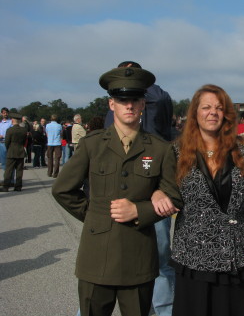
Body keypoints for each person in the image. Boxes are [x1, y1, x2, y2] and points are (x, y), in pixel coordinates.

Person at [52, 65, 181, 316]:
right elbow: (62, 189)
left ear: (143, 103)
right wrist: (93, 214)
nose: (129, 105)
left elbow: (174, 195)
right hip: (96, 255)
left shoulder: (159, 148)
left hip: (138, 256)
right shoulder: (92, 145)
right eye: (122, 100)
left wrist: (139, 210)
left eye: (134, 99)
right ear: (112, 104)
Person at [154, 84, 244, 316]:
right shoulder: (177, 152)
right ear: (195, 113)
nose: (213, 112)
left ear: (227, 114)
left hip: (234, 252)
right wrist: (157, 192)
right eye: (206, 107)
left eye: (219, 108)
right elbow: (161, 184)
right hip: (193, 253)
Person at [103, 61, 176, 316]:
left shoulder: (154, 96)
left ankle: (164, 309)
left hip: (154, 189)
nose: (129, 101)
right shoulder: (123, 105)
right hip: (125, 193)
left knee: (161, 259)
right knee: (112, 260)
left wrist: (137, 80)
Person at [0, 113, 27, 192]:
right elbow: (24, 141)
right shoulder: (24, 130)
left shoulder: (10, 130)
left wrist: (9, 149)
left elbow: (7, 142)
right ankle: (18, 186)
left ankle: (6, 186)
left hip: (11, 151)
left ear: (13, 120)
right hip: (20, 151)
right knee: (19, 170)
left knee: (9, 170)